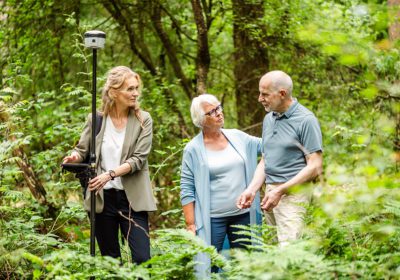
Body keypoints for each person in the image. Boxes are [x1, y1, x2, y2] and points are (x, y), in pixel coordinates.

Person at [63, 66, 157, 263]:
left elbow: (138, 159)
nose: (135, 93)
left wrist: (110, 174)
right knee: (110, 262)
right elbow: (81, 150)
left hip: (132, 201)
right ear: (114, 92)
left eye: (136, 88)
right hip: (102, 200)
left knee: (143, 259)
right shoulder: (96, 119)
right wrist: (73, 158)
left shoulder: (143, 120)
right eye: (130, 89)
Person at [237, 70, 323, 246]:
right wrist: (252, 189)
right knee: (274, 251)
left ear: (282, 94)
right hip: (270, 194)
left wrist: (281, 190)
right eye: (260, 93)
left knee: (289, 253)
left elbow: (315, 166)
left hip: (293, 195)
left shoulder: (306, 120)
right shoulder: (269, 118)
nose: (260, 98)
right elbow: (266, 159)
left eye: (265, 94)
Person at [180, 94, 262, 275]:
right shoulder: (193, 149)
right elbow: (187, 188)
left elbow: (268, 146)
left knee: (246, 266)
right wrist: (190, 225)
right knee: (209, 266)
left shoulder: (238, 137)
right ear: (201, 120)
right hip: (212, 219)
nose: (219, 113)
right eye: (212, 111)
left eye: (219, 108)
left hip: (243, 215)